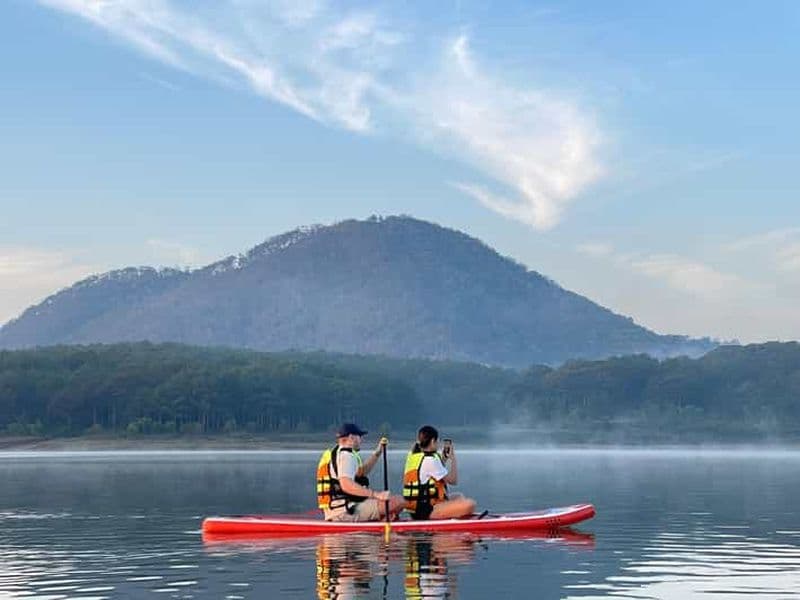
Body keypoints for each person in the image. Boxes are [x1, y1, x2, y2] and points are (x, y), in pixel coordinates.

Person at [317, 423, 406, 522]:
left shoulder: (339, 453)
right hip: (345, 510)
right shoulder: (346, 456)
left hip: (339, 508)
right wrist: (376, 494)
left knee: (391, 506)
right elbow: (346, 485)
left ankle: (381, 520)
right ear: (351, 437)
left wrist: (377, 453)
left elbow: (361, 473)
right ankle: (381, 522)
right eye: (359, 436)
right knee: (399, 501)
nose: (361, 440)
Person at [402, 425, 476, 520]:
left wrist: (444, 459)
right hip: (427, 512)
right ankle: (448, 518)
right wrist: (453, 459)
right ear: (432, 441)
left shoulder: (413, 455)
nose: (438, 444)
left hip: (417, 508)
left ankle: (452, 513)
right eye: (437, 441)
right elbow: (453, 481)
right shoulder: (430, 460)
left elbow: (434, 473)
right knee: (470, 504)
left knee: (459, 497)